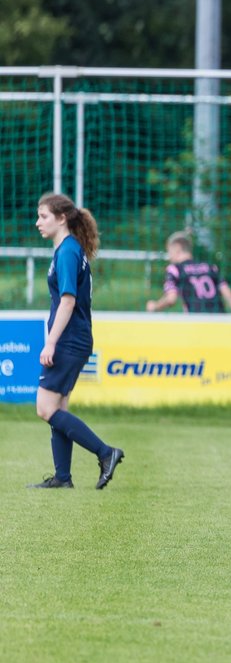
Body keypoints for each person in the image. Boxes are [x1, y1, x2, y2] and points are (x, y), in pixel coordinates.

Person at [27, 193, 125, 490]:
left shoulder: (68, 252)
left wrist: (51, 342)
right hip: (76, 339)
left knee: (45, 409)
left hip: (69, 340)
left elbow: (68, 301)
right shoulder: (68, 249)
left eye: (43, 216)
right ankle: (62, 477)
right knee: (59, 409)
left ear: (61, 218)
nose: (37, 222)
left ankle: (105, 452)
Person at [145, 231, 231, 314]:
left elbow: (171, 299)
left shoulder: (175, 269)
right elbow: (228, 294)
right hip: (219, 319)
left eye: (169, 252)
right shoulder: (210, 267)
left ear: (177, 249)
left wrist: (155, 306)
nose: (169, 257)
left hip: (196, 321)